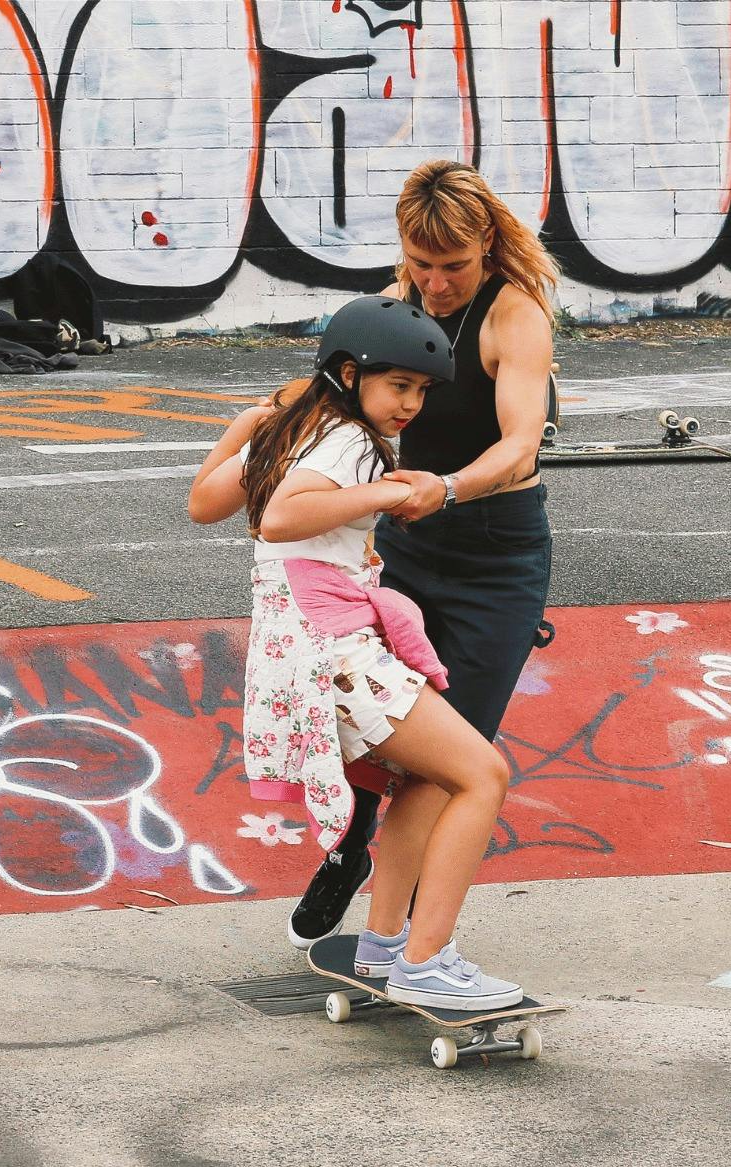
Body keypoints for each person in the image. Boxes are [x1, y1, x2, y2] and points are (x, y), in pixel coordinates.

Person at [187, 296, 524, 1010]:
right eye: (400, 385)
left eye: (423, 391)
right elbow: (281, 519)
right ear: (349, 372)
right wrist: (382, 490)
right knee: (483, 776)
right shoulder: (349, 441)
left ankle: (382, 947)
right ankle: (427, 961)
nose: (412, 405)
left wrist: (250, 430)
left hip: (304, 657)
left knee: (430, 780)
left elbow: (204, 503)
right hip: (336, 656)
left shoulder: (297, 431)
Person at [285, 161, 560, 948]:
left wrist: (447, 487)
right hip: (405, 545)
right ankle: (353, 848)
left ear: (488, 247)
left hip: (496, 553)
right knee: (376, 724)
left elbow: (517, 445)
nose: (436, 285)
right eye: (421, 264)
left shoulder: (515, 314)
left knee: (456, 753)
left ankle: (405, 930)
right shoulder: (394, 311)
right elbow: (332, 407)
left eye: (454, 267)